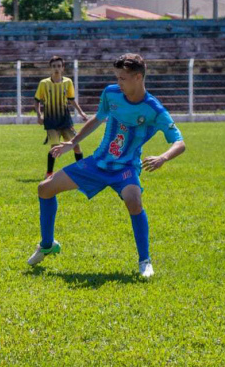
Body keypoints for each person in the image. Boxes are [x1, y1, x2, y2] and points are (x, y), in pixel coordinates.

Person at [27, 54, 185, 279]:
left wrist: (163, 157)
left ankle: (145, 261)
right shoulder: (111, 93)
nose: (118, 82)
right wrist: (72, 143)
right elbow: (98, 118)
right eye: (117, 77)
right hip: (98, 163)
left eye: (123, 78)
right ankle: (47, 244)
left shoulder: (154, 109)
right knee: (44, 188)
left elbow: (180, 142)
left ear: (138, 77)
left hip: (126, 168)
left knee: (133, 200)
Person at [35, 56, 89, 178]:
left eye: (59, 66)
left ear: (63, 68)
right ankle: (49, 172)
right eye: (54, 66)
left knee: (76, 145)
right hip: (50, 121)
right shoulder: (44, 83)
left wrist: (81, 113)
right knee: (54, 147)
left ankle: (82, 171)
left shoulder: (68, 82)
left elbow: (71, 100)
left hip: (65, 120)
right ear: (50, 68)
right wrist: (39, 115)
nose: (56, 69)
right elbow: (37, 100)